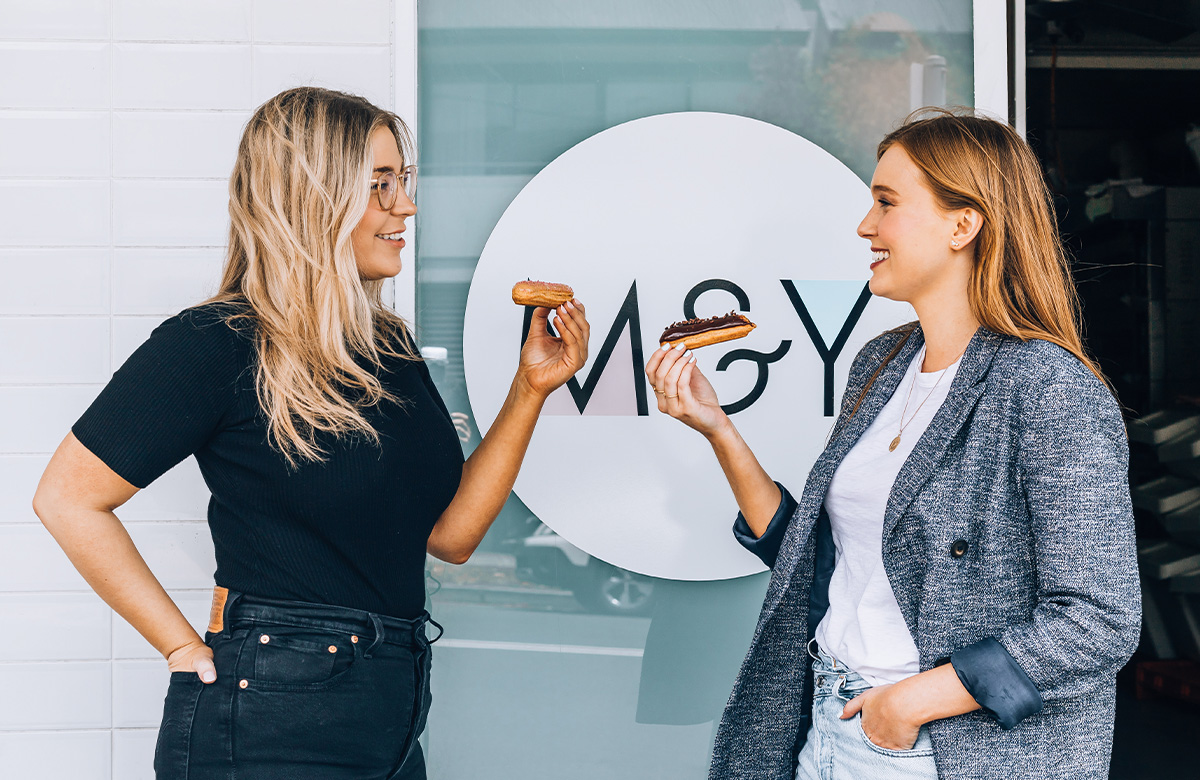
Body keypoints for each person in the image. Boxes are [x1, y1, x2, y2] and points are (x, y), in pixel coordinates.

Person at [32, 86, 590, 780]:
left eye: (402, 183)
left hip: (392, 710)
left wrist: (530, 389)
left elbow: (451, 537)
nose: (405, 207)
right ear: (312, 198)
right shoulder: (216, 344)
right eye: (378, 186)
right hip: (270, 715)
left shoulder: (390, 349)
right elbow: (66, 497)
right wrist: (179, 645)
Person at [646, 109, 1140, 780]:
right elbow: (818, 557)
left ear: (963, 225)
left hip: (934, 749)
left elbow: (1100, 619)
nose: (864, 226)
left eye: (886, 203)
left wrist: (910, 703)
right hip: (824, 719)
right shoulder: (882, 363)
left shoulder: (1047, 389)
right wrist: (718, 428)